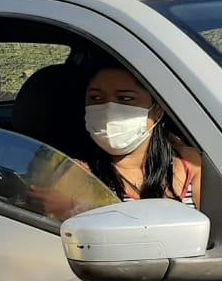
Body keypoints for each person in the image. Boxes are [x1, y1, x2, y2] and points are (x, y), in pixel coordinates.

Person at [83, 58, 202, 206]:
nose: (108, 110)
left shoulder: (190, 164)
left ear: (158, 109)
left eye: (125, 98)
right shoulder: (77, 174)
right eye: (96, 97)